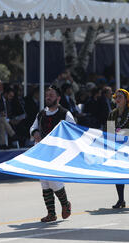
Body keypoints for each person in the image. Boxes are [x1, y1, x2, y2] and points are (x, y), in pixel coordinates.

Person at [30, 85, 75, 222]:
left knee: (54, 181)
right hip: (42, 153)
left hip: (57, 154)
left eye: (51, 95)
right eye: (47, 95)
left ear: (58, 98)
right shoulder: (41, 114)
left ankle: (65, 204)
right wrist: (35, 132)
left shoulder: (65, 114)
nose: (48, 97)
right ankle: (51, 213)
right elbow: (33, 127)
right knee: (44, 183)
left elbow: (73, 131)